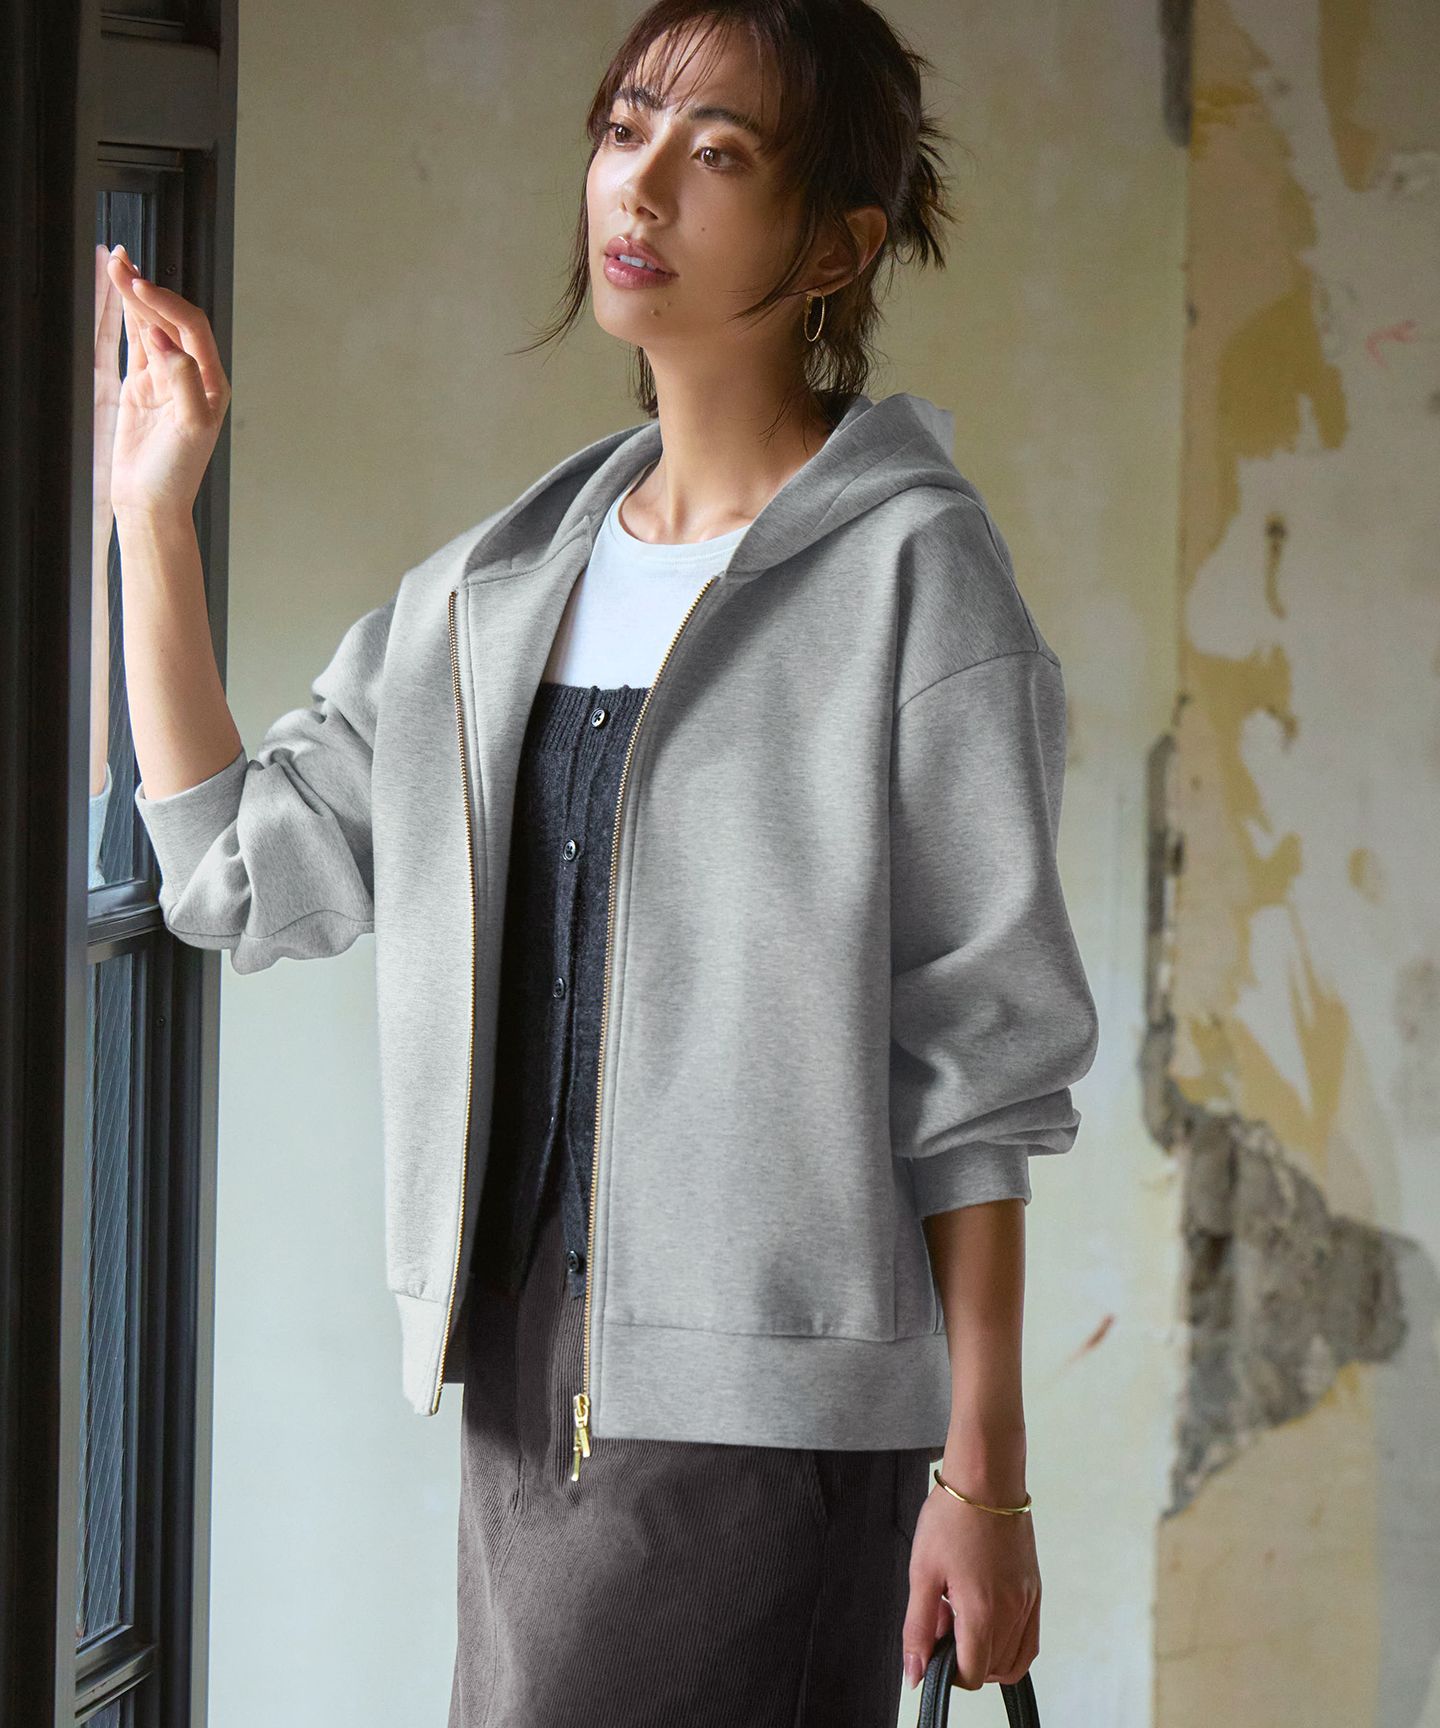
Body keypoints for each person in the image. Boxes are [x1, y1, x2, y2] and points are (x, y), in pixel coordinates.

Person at [106, 2, 1100, 1722]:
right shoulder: (498, 592)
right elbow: (240, 873)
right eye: (627, 127)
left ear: (836, 247)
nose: (639, 184)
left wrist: (985, 1478)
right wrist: (151, 520)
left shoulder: (916, 582)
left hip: (774, 1436)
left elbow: (979, 1074)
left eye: (718, 154)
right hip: (521, 1402)